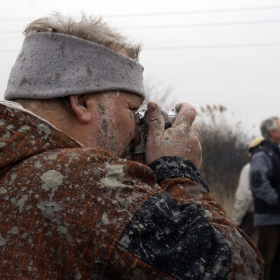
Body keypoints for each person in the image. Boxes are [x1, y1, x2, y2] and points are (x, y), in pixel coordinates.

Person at [0, 13, 263, 279]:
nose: (136, 136)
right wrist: (178, 170)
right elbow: (239, 268)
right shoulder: (85, 180)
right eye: (131, 110)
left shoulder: (15, 160)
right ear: (81, 103)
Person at [250, 117, 280, 280]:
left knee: (276, 266)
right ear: (272, 132)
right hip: (269, 220)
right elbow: (259, 185)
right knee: (265, 265)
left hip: (277, 219)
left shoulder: (275, 153)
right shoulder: (262, 154)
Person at [231, 137, 264, 243]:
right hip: (271, 221)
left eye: (250, 151)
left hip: (252, 220)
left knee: (249, 256)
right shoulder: (274, 168)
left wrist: (235, 222)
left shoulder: (250, 168)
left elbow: (244, 198)